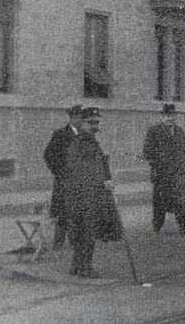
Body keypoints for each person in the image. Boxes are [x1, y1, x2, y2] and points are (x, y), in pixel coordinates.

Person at [62, 107, 116, 278]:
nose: (95, 126)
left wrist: (106, 180)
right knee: (86, 232)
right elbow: (79, 172)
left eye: (97, 122)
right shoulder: (79, 144)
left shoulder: (91, 142)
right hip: (84, 197)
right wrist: (102, 182)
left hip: (89, 196)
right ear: (82, 123)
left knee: (84, 232)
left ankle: (77, 267)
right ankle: (84, 268)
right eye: (91, 122)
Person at [142, 103, 185, 237]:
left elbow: (184, 151)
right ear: (162, 117)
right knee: (159, 202)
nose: (169, 118)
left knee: (181, 201)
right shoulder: (153, 131)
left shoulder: (179, 131)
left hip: (178, 174)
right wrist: (158, 161)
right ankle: (157, 225)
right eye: (166, 116)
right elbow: (147, 152)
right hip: (161, 174)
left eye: (172, 115)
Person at [43, 105, 83, 249]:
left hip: (80, 182)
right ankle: (58, 246)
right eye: (77, 117)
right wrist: (59, 172)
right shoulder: (60, 134)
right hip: (64, 182)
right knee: (62, 214)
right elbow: (48, 155)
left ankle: (75, 244)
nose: (79, 120)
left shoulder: (85, 135)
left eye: (81, 118)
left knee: (78, 213)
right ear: (71, 118)